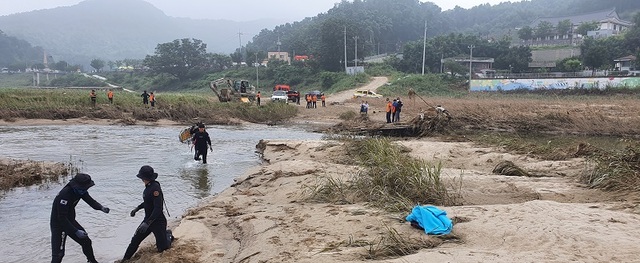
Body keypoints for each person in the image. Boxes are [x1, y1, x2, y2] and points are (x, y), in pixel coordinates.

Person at [50, 173, 110, 263]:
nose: (85, 191)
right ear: (76, 186)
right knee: (58, 255)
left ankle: (92, 261)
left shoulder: (81, 191)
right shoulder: (65, 195)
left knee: (86, 242)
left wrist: (101, 208)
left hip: (70, 221)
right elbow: (61, 218)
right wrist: (76, 231)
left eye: (86, 188)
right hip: (59, 225)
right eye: (84, 189)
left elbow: (91, 202)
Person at [122, 165, 173, 261]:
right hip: (148, 220)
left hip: (157, 221)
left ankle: (168, 235)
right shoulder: (148, 188)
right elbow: (147, 202)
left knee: (162, 248)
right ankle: (125, 259)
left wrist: (147, 223)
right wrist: (137, 208)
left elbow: (158, 208)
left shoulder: (155, 189)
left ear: (144, 178)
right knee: (135, 241)